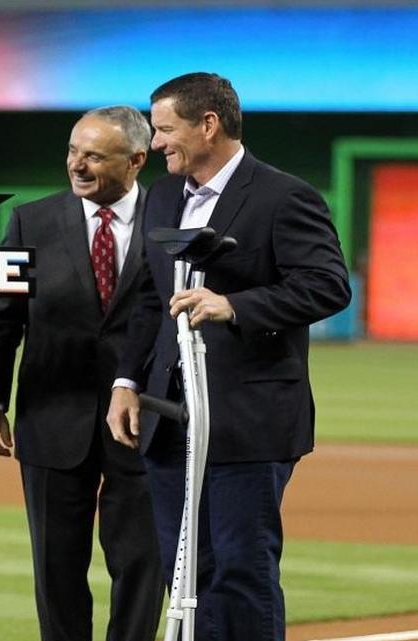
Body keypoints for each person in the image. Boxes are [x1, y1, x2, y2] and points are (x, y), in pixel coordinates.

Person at [107, 73, 351, 641]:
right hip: (169, 420)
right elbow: (149, 296)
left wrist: (233, 306)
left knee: (241, 571)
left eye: (166, 129)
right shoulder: (163, 196)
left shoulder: (284, 196)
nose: (157, 143)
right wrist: (125, 380)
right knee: (187, 569)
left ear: (208, 125)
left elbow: (327, 286)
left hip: (248, 417)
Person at [0, 106, 163, 641]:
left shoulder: (171, 221)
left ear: (137, 161)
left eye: (94, 156)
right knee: (56, 568)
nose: (77, 165)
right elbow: (0, 321)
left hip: (145, 422)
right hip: (50, 417)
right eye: (73, 151)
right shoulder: (31, 221)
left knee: (142, 562)